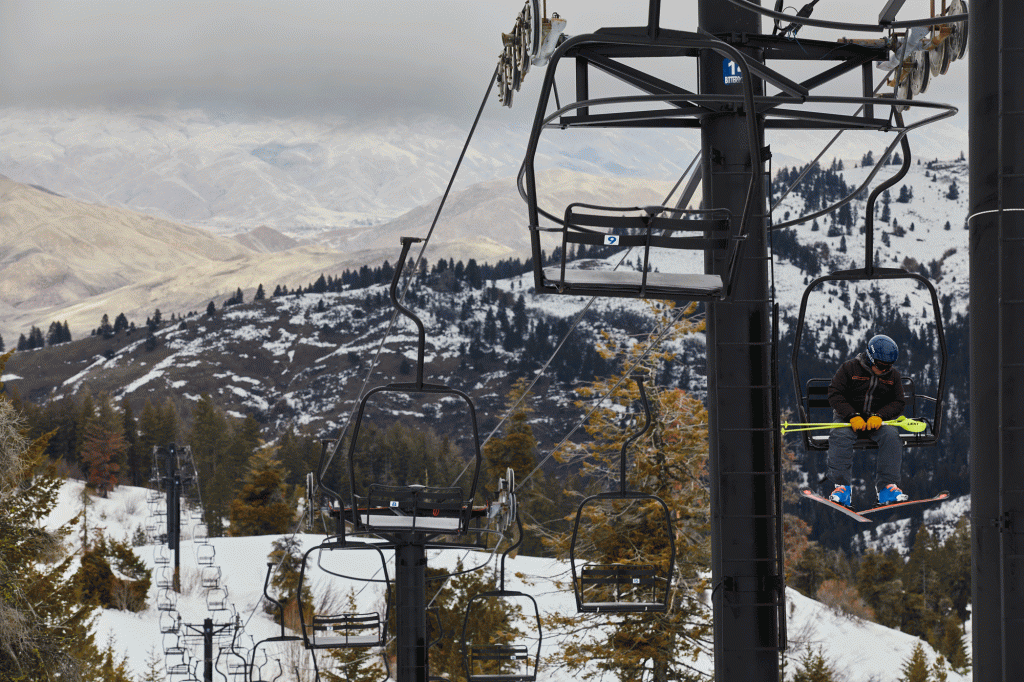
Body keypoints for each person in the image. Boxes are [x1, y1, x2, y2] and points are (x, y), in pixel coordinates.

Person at [826, 334, 909, 508]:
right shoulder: (849, 369)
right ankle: (842, 488)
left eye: (889, 366)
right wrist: (851, 415)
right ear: (871, 358)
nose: (884, 369)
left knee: (892, 436)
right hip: (848, 418)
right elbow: (835, 393)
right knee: (840, 434)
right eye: (881, 365)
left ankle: (887, 487)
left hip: (876, 421)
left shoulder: (893, 376)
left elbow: (898, 402)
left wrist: (880, 416)